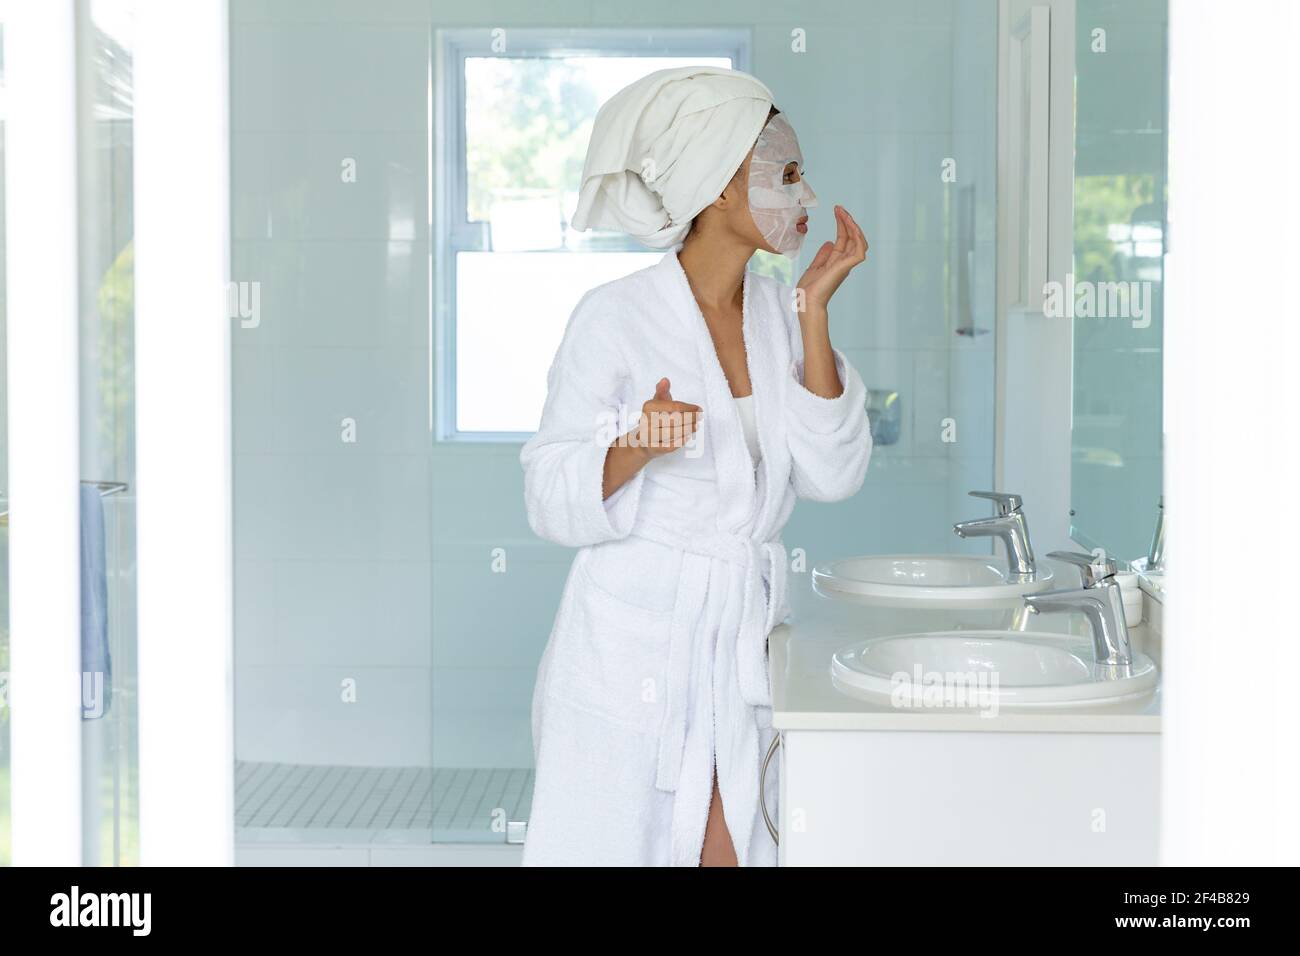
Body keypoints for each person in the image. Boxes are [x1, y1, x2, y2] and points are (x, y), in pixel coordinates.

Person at [519, 65, 872, 867]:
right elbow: (546, 493)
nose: (806, 195)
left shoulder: (779, 320)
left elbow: (833, 474)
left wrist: (815, 312)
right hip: (635, 646)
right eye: (786, 174)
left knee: (735, 845)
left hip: (736, 635)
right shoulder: (614, 317)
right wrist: (636, 444)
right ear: (719, 188)